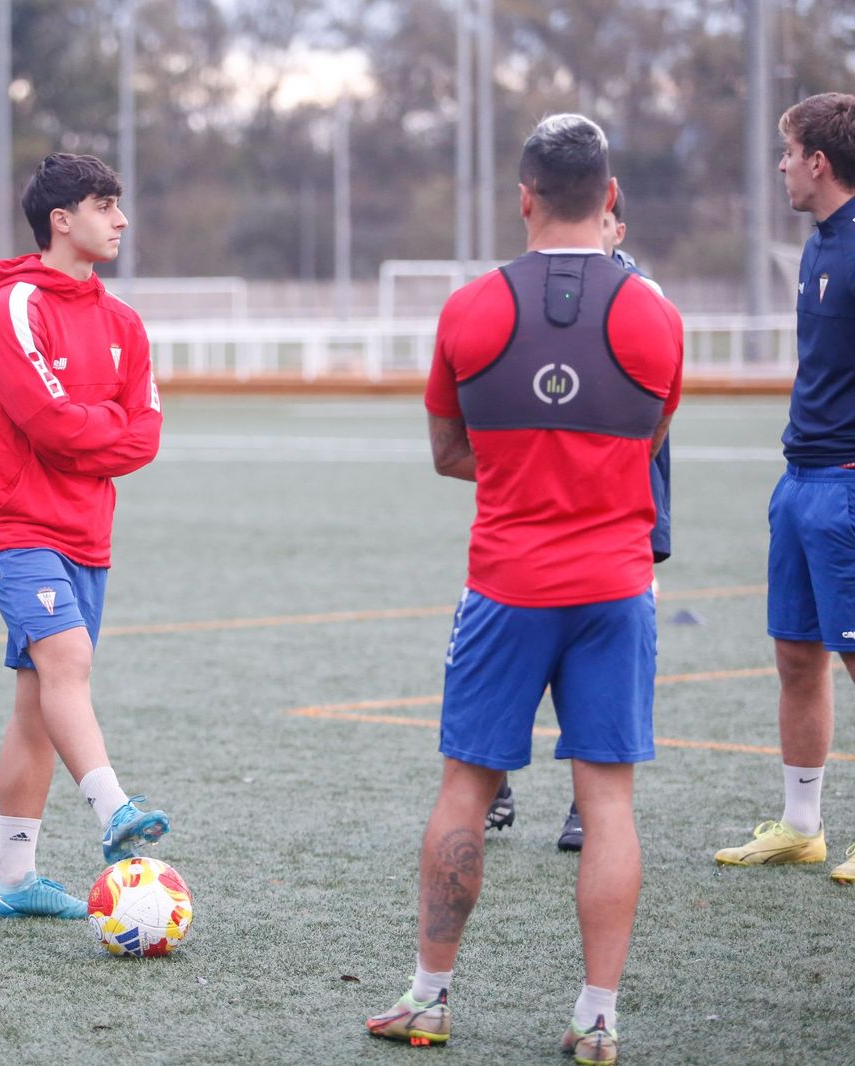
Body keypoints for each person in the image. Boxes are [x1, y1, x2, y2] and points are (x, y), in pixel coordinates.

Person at [365, 116, 682, 1064]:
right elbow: (650, 445)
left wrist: (519, 472)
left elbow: (446, 452)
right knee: (610, 802)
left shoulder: (468, 310)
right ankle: (596, 1018)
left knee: (467, 786)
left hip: (506, 586)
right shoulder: (655, 316)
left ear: (524, 196)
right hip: (617, 587)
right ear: (612, 196)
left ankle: (429, 1000)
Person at [0, 153, 168, 919]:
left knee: (38, 705)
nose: (120, 220)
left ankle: (12, 882)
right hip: (14, 526)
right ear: (62, 219)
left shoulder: (123, 322)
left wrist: (95, 432)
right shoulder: (14, 306)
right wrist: (100, 429)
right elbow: (46, 424)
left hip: (87, 533)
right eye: (105, 205)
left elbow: (144, 437)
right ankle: (115, 808)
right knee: (68, 661)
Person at [486, 185, 675, 854]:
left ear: (615, 222)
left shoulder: (644, 306)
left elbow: (656, 431)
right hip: (527, 528)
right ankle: (496, 785)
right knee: (521, 650)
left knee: (597, 675)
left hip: (621, 526)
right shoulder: (522, 296)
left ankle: (576, 805)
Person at [714, 92, 855, 887]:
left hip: (846, 485)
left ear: (818, 162)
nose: (780, 167)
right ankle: (802, 827)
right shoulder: (817, 247)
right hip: (799, 479)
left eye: (788, 151)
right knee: (797, 657)